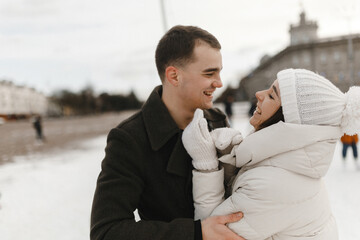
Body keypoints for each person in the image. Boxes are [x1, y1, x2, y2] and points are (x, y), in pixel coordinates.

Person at [90, 25, 245, 240]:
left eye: (220, 72)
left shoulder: (216, 120)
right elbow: (106, 232)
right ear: (174, 76)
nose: (219, 83)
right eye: (210, 73)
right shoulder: (130, 138)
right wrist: (196, 233)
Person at [182, 69, 360, 239]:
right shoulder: (290, 166)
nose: (259, 93)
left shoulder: (272, 185)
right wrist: (230, 166)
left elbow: (214, 233)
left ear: (288, 122)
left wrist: (206, 165)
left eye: (271, 95)